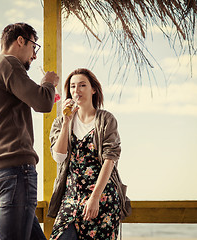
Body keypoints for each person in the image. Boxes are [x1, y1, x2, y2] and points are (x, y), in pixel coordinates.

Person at [0, 22, 59, 240]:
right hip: (15, 172)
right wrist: (48, 83)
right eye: (34, 47)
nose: (34, 56)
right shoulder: (9, 63)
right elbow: (42, 103)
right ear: (20, 40)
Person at [48, 68, 122, 240]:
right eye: (73, 86)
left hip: (102, 197)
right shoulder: (60, 122)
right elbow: (58, 157)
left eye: (82, 85)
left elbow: (110, 160)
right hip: (70, 198)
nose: (77, 90)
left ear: (93, 89)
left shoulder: (106, 120)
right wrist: (66, 122)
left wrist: (95, 197)